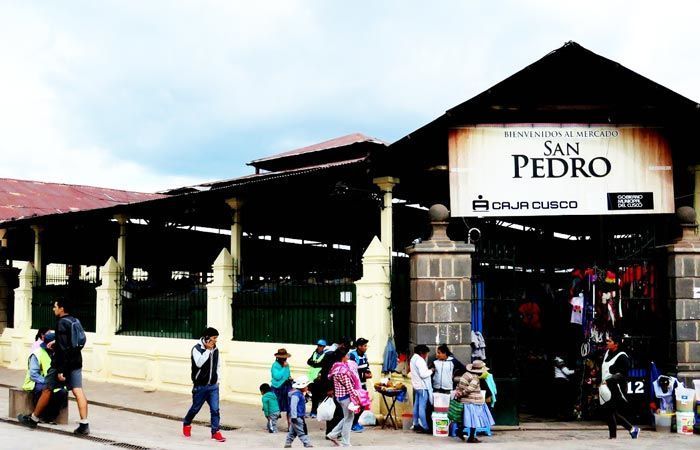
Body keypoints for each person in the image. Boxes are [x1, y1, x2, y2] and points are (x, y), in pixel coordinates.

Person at [18, 297, 90, 435]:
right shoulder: (75, 321)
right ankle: (84, 424)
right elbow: (76, 342)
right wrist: (58, 343)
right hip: (76, 361)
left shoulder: (61, 322)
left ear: (62, 308)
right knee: (78, 391)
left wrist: (61, 370)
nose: (53, 308)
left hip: (60, 364)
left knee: (47, 389)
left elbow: (63, 348)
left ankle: (33, 419)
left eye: (55, 306)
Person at [182, 327, 226, 442]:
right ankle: (187, 423)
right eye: (214, 338)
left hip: (213, 386)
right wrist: (207, 350)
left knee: (215, 410)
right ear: (207, 338)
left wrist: (218, 380)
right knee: (195, 408)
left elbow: (218, 365)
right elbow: (199, 363)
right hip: (200, 387)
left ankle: (215, 432)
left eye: (216, 338)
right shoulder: (196, 349)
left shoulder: (216, 349)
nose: (216, 340)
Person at [21, 332, 68, 424]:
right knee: (43, 390)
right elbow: (34, 374)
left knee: (62, 392)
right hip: (37, 381)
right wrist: (47, 382)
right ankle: (40, 415)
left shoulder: (59, 354)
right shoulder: (37, 354)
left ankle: (50, 417)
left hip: (53, 382)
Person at [600, 332, 639, 439]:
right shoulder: (607, 353)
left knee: (610, 411)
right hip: (605, 387)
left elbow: (624, 373)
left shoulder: (622, 356)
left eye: (609, 341)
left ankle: (617, 435)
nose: (607, 342)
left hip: (616, 387)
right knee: (610, 412)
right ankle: (630, 430)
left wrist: (612, 378)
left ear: (616, 344)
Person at [453, 360, 495, 443]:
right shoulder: (475, 378)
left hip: (465, 402)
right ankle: (471, 437)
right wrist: (462, 393)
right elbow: (470, 389)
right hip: (473, 402)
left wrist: (459, 393)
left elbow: (460, 385)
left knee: (465, 419)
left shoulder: (465, 374)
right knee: (474, 421)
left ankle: (460, 430)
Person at [326, 348, 359, 447]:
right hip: (346, 398)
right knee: (349, 419)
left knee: (347, 417)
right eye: (347, 355)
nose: (348, 357)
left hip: (339, 397)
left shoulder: (335, 367)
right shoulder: (343, 370)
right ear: (343, 357)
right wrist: (356, 396)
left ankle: (333, 434)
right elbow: (349, 386)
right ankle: (345, 442)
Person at [320, 338, 351, 436]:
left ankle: (336, 432)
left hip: (341, 389)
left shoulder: (343, 358)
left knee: (340, 412)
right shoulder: (330, 356)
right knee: (333, 411)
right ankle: (330, 432)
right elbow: (325, 373)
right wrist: (329, 389)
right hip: (331, 387)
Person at [348, 337, 372, 432]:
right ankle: (352, 424)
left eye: (366, 346)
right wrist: (363, 374)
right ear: (359, 346)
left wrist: (368, 373)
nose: (366, 347)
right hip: (355, 386)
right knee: (355, 405)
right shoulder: (352, 356)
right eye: (364, 346)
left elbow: (367, 366)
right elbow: (352, 371)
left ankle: (355, 422)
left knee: (363, 404)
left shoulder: (365, 356)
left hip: (363, 384)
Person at [409, 344, 433, 433]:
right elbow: (423, 374)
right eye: (426, 353)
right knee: (422, 407)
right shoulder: (420, 360)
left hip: (417, 386)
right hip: (422, 387)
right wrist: (431, 371)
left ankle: (416, 424)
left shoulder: (413, 359)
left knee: (416, 406)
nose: (426, 355)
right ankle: (424, 426)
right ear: (422, 353)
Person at [285, 375, 313, 448]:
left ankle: (288, 443)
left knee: (292, 432)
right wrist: (294, 417)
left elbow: (301, 403)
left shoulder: (300, 394)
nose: (307, 387)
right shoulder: (296, 395)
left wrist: (307, 398)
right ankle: (307, 444)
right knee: (302, 431)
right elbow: (293, 406)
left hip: (298, 416)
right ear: (302, 386)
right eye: (306, 386)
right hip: (297, 417)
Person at [271, 348, 293, 428]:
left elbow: (288, 374)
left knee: (289, 407)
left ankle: (290, 426)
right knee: (276, 408)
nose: (284, 359)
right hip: (277, 388)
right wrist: (283, 368)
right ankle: (272, 425)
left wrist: (290, 378)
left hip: (286, 386)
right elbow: (277, 377)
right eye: (283, 357)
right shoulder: (275, 365)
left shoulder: (287, 364)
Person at [307, 339, 327, 418]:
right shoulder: (314, 353)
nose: (319, 347)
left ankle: (317, 411)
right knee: (314, 396)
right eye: (318, 345)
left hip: (319, 378)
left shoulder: (325, 355)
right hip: (312, 377)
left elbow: (323, 364)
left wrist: (315, 363)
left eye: (320, 346)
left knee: (318, 396)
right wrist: (315, 363)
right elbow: (309, 361)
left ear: (324, 347)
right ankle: (313, 411)